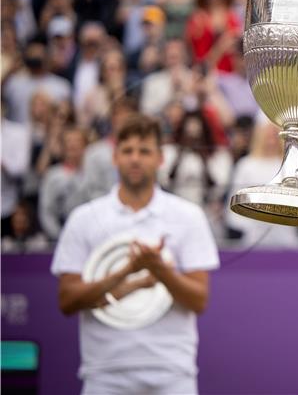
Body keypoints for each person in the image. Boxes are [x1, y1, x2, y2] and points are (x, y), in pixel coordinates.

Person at [50, 114, 219, 394]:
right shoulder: (83, 218)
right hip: (103, 375)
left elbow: (199, 300)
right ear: (115, 158)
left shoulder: (188, 216)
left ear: (160, 159)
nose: (135, 159)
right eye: (127, 151)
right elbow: (67, 301)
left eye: (144, 151)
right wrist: (128, 271)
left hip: (172, 373)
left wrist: (158, 269)